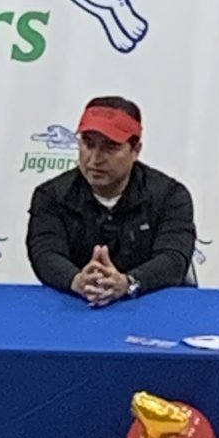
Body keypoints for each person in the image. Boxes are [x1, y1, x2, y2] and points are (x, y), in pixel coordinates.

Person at [26, 96, 195, 305]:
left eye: (110, 147)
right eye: (88, 144)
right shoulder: (51, 195)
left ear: (136, 151)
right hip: (77, 307)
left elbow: (173, 258)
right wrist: (77, 281)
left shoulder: (170, 196)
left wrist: (128, 283)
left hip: (153, 306)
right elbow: (45, 253)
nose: (95, 158)